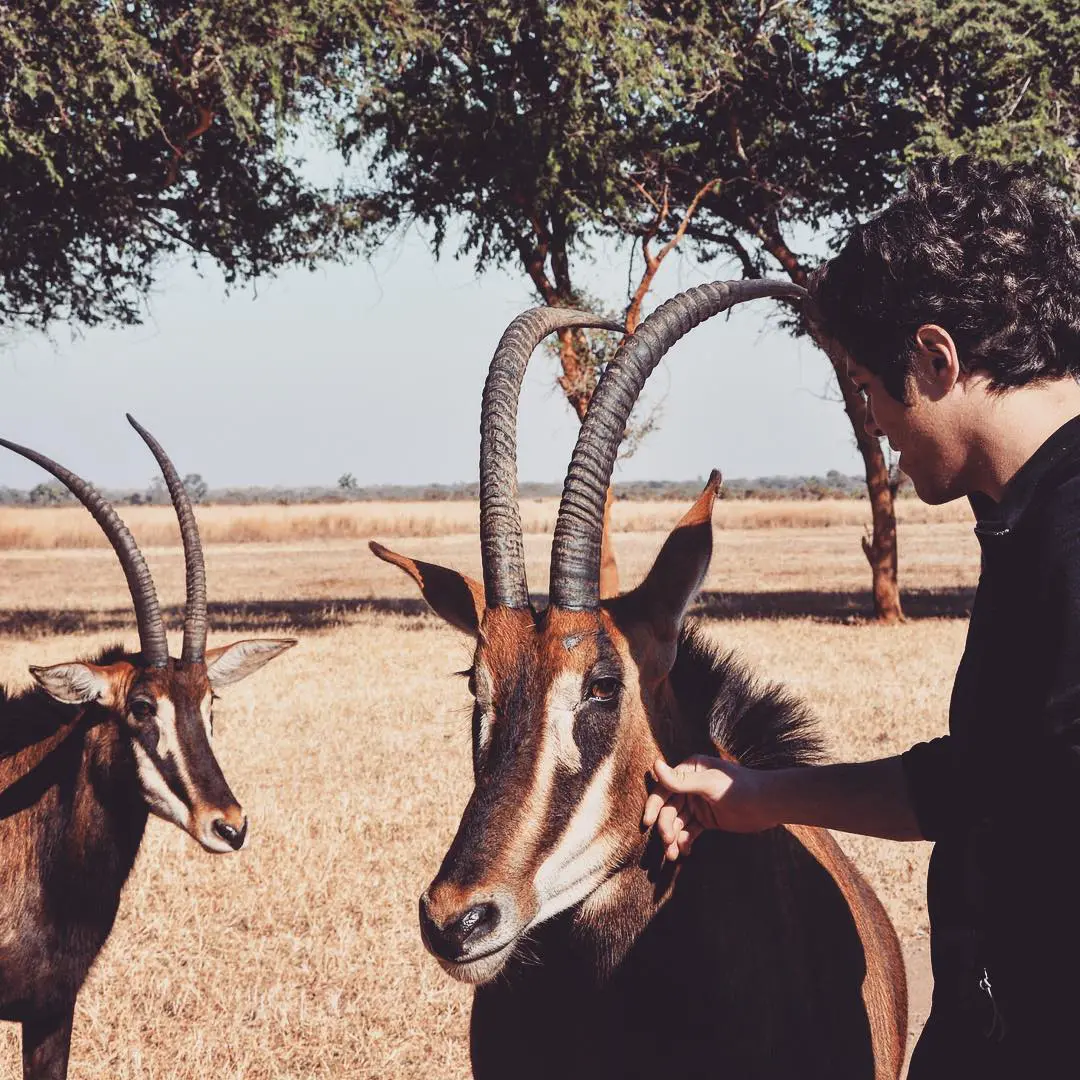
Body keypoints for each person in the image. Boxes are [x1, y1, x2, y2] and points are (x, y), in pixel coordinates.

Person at [642, 156, 1080, 1077]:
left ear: (936, 357)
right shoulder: (1028, 517)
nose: (873, 422)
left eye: (872, 390)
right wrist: (754, 797)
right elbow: (985, 785)